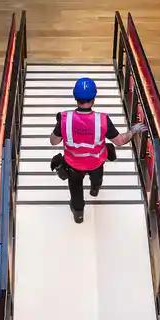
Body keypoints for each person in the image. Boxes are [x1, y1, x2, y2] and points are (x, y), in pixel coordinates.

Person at [49, 77, 146, 223]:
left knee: (75, 190)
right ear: (93, 99)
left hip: (73, 165)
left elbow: (53, 141)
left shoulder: (65, 119)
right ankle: (95, 189)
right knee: (97, 178)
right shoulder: (102, 120)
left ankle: (78, 214)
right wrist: (132, 131)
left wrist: (60, 127)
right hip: (96, 163)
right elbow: (120, 141)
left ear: (75, 98)